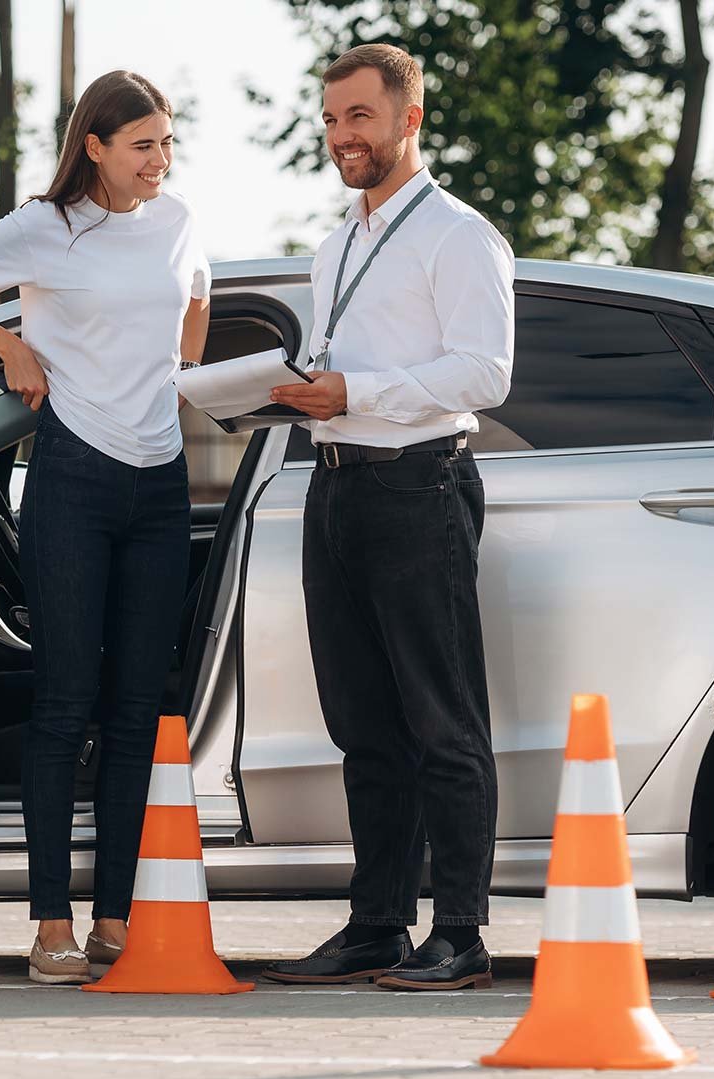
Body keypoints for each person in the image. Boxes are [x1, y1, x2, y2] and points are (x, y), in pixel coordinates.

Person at [0, 70, 211, 985]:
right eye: (143, 146)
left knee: (136, 708)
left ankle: (116, 919)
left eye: (167, 143)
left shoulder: (177, 222)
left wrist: (183, 378)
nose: (160, 161)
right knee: (62, 703)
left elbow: (196, 299)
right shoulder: (43, 228)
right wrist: (11, 346)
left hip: (160, 484)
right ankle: (52, 922)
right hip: (74, 477)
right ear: (95, 146)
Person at [262, 43, 514, 990]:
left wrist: (358, 389)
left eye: (358, 117)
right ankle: (377, 927)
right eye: (330, 119)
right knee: (361, 723)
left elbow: (486, 373)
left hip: (418, 483)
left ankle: (462, 932)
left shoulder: (458, 235)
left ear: (410, 119)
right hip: (336, 485)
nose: (340, 137)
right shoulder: (337, 246)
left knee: (442, 720)